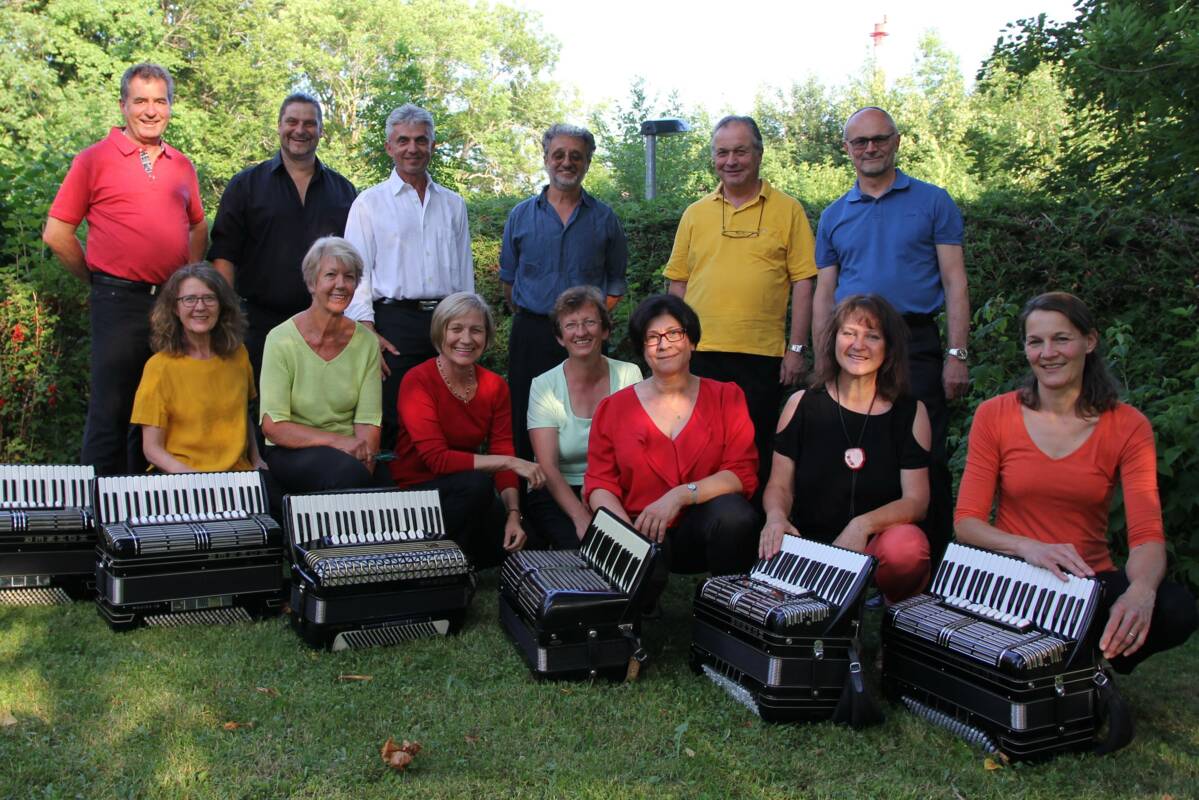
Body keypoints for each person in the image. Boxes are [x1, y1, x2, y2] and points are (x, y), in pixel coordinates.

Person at [955, 292, 1196, 674]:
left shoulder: (1129, 425)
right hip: (1012, 577)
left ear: (1090, 341)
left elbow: (1147, 533)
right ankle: (1070, 658)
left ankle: (1093, 655)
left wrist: (1141, 591)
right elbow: (967, 522)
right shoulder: (994, 415)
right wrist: (1027, 547)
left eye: (1061, 339)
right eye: (1036, 342)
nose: (1048, 352)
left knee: (1176, 608)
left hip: (1086, 582)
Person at [813, 106, 969, 561]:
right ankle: (855, 560)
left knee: (927, 455)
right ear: (847, 149)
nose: (870, 148)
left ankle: (934, 565)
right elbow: (825, 292)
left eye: (879, 139)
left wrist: (957, 353)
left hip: (913, 341)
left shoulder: (933, 201)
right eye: (859, 142)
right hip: (852, 347)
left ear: (897, 141)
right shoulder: (833, 215)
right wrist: (823, 354)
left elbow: (955, 280)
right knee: (856, 453)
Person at [42, 62, 206, 475]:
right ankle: (96, 518)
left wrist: (188, 281)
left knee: (158, 413)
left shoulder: (181, 165)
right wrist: (95, 279)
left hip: (170, 305)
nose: (151, 110)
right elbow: (57, 233)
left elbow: (198, 224)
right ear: (123, 105)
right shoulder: (93, 160)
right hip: (117, 299)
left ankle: (142, 514)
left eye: (160, 101)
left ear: (170, 106)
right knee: (111, 411)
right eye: (141, 101)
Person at [663, 115, 816, 502]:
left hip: (761, 355)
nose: (731, 160)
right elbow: (677, 281)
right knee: (697, 445)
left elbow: (804, 282)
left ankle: (754, 535)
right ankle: (700, 530)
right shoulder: (695, 213)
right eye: (722, 152)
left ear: (759, 155)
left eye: (740, 151)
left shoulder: (789, 210)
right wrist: (674, 343)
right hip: (700, 353)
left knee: (755, 449)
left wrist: (796, 348)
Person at [760, 295, 932, 604]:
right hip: (807, 541)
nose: (859, 344)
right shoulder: (802, 403)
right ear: (833, 339)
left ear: (889, 347)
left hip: (874, 542)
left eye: (873, 336)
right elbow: (779, 484)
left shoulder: (910, 412)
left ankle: (894, 626)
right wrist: (775, 517)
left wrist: (862, 526)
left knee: (908, 548)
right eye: (849, 332)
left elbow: (916, 501)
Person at [585, 294, 759, 597]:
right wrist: (625, 534)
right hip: (641, 526)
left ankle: (728, 607)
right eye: (652, 337)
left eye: (674, 334)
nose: (663, 344)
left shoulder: (726, 397)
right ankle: (640, 606)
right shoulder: (613, 408)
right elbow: (599, 484)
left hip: (704, 525)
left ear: (691, 342)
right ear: (642, 349)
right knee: (636, 599)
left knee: (736, 515)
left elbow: (740, 473)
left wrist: (679, 496)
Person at [343, 103, 473, 450]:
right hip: (393, 324)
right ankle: (400, 497)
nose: (412, 148)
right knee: (397, 416)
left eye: (420, 140)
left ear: (433, 145)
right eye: (403, 141)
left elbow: (464, 273)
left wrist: (468, 326)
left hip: (446, 322)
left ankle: (446, 496)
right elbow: (357, 273)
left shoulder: (453, 204)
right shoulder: (368, 204)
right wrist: (366, 330)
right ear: (389, 147)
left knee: (447, 415)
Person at [208, 92, 357, 382]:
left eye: (309, 123)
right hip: (259, 324)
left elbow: (356, 262)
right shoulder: (246, 186)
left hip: (326, 324)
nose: (300, 130)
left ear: (321, 131)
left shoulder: (344, 192)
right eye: (292, 121)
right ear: (279, 126)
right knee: (260, 413)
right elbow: (224, 255)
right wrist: (228, 319)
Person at [500, 123, 628, 460]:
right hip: (532, 333)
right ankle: (529, 500)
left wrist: (592, 323)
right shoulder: (520, 215)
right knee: (525, 414)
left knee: (593, 415)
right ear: (545, 158)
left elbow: (616, 282)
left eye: (576, 156)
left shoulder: (604, 218)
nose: (566, 162)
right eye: (558, 154)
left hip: (586, 336)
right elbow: (509, 281)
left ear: (587, 162)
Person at [389, 293, 545, 569]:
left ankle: (460, 555)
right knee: (476, 485)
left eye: (476, 330)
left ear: (486, 336)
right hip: (415, 491)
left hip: (466, 492)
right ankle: (441, 563)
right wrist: (509, 462)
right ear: (440, 332)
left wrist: (513, 514)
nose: (466, 339)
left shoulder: (495, 386)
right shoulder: (418, 380)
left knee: (528, 541)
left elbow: (502, 449)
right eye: (456, 328)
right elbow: (436, 459)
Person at [258, 237, 387, 494]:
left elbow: (368, 422)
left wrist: (365, 467)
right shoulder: (280, 339)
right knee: (343, 473)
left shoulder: (366, 343)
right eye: (330, 275)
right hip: (292, 450)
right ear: (311, 283)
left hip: (351, 454)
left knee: (386, 486)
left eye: (349, 277)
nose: (341, 284)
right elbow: (274, 426)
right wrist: (340, 444)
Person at [525, 286, 642, 548]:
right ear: (560, 337)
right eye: (571, 325)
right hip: (557, 489)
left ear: (605, 330)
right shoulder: (544, 385)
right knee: (583, 548)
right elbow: (548, 466)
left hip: (614, 486)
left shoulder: (628, 376)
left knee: (625, 546)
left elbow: (634, 450)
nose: (581, 332)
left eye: (590, 322)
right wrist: (580, 516)